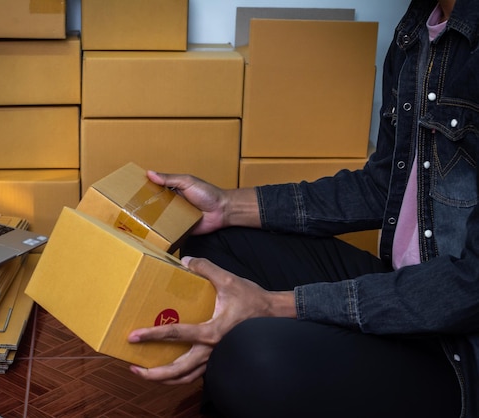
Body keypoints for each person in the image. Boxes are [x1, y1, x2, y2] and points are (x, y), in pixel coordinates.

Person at [127, 0, 478, 417]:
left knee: (252, 355)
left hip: (459, 350)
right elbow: (382, 187)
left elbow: (471, 286)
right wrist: (226, 205)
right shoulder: (418, 30)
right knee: (211, 246)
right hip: (403, 287)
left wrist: (275, 304)